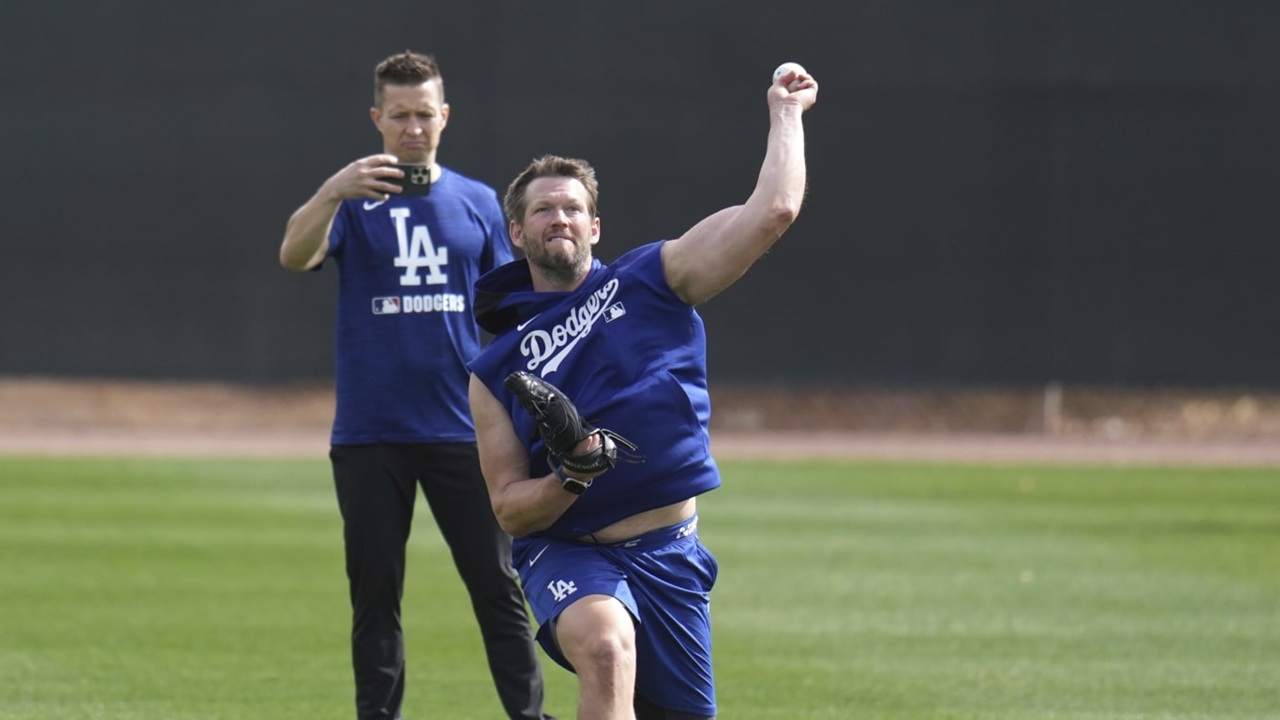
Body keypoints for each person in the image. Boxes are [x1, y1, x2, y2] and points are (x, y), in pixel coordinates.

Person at [467, 65, 818, 719]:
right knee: (606, 648)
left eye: (573, 208)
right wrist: (572, 476)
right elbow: (510, 511)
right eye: (543, 209)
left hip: (669, 551)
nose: (560, 218)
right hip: (569, 551)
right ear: (516, 233)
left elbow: (773, 211)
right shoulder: (495, 370)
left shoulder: (656, 276)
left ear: (595, 227)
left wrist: (786, 113)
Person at [278, 51, 554, 720]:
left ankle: (528, 715)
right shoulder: (352, 201)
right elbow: (293, 255)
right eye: (399, 115)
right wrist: (331, 191)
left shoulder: (476, 201)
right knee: (375, 596)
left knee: (497, 587)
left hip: (464, 428)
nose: (412, 128)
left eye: (424, 114)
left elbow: (511, 311)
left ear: (444, 116)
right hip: (371, 432)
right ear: (377, 118)